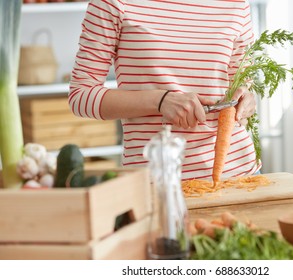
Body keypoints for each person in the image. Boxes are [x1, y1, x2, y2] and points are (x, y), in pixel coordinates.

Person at [69, 0, 261, 180]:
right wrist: (160, 101)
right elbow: (81, 95)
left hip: (239, 174)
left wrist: (246, 102)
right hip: (158, 182)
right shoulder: (113, 3)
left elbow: (240, 84)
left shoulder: (235, 4)